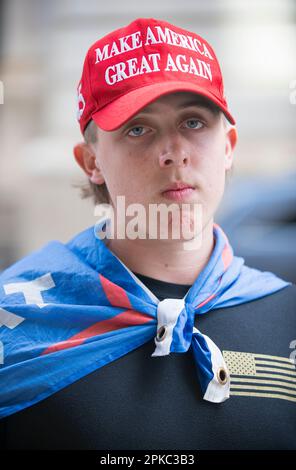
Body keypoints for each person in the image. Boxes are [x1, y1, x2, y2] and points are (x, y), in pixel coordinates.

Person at [0, 17, 295, 451]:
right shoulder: (14, 319)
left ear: (228, 146)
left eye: (193, 122)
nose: (173, 153)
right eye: (138, 129)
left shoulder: (286, 313)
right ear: (90, 162)